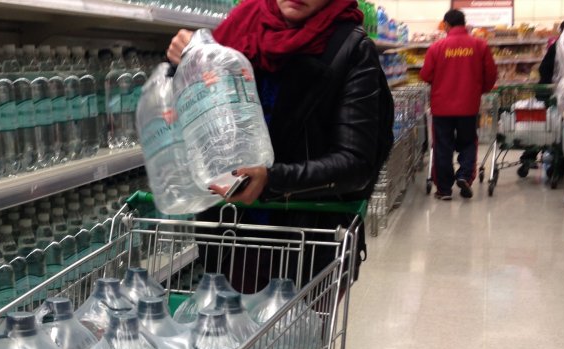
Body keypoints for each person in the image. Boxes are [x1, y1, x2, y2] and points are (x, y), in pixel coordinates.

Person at [165, 0, 393, 292]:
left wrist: (271, 180)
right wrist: (184, 61)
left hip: (308, 245)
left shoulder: (350, 47)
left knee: (296, 336)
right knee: (232, 333)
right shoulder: (240, 27)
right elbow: (193, 115)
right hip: (232, 234)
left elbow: (355, 163)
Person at [419, 9, 497, 200]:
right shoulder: (480, 45)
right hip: (468, 106)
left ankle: (444, 189)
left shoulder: (437, 47)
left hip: (441, 107)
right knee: (468, 142)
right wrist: (480, 90)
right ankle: (463, 175)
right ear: (464, 23)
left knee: (442, 146)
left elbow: (425, 75)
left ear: (446, 25)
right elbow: (491, 75)